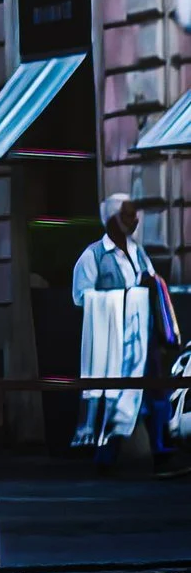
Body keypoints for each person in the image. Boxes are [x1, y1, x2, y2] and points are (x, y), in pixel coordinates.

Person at [70, 194, 181, 472]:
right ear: (112, 218)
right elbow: (82, 297)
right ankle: (104, 459)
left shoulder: (139, 252)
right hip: (114, 344)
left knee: (155, 394)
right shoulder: (93, 255)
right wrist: (124, 296)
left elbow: (152, 284)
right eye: (129, 215)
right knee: (116, 398)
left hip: (144, 340)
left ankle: (161, 453)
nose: (135, 220)